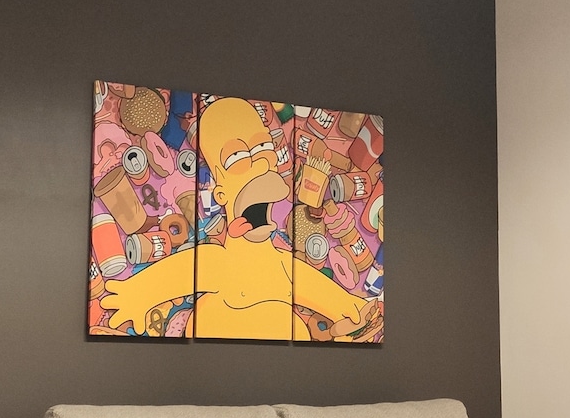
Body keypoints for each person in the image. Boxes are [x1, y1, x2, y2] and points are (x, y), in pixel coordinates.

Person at [100, 96, 373, 339]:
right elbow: (174, 275)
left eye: (264, 149)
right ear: (220, 193)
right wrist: (135, 295)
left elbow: (334, 300)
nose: (261, 165)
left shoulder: (284, 267)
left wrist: (353, 308)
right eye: (238, 157)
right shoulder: (218, 262)